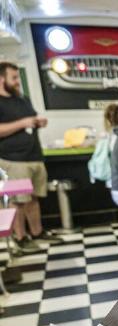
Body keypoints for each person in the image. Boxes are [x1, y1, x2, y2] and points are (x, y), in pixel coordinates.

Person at [0, 61, 60, 252]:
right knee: (17, 201)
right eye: (14, 78)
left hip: (34, 156)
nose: (18, 81)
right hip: (13, 159)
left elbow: (30, 119)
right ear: (1, 79)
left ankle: (37, 232)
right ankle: (20, 237)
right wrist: (22, 123)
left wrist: (38, 122)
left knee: (33, 199)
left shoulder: (22, 99)